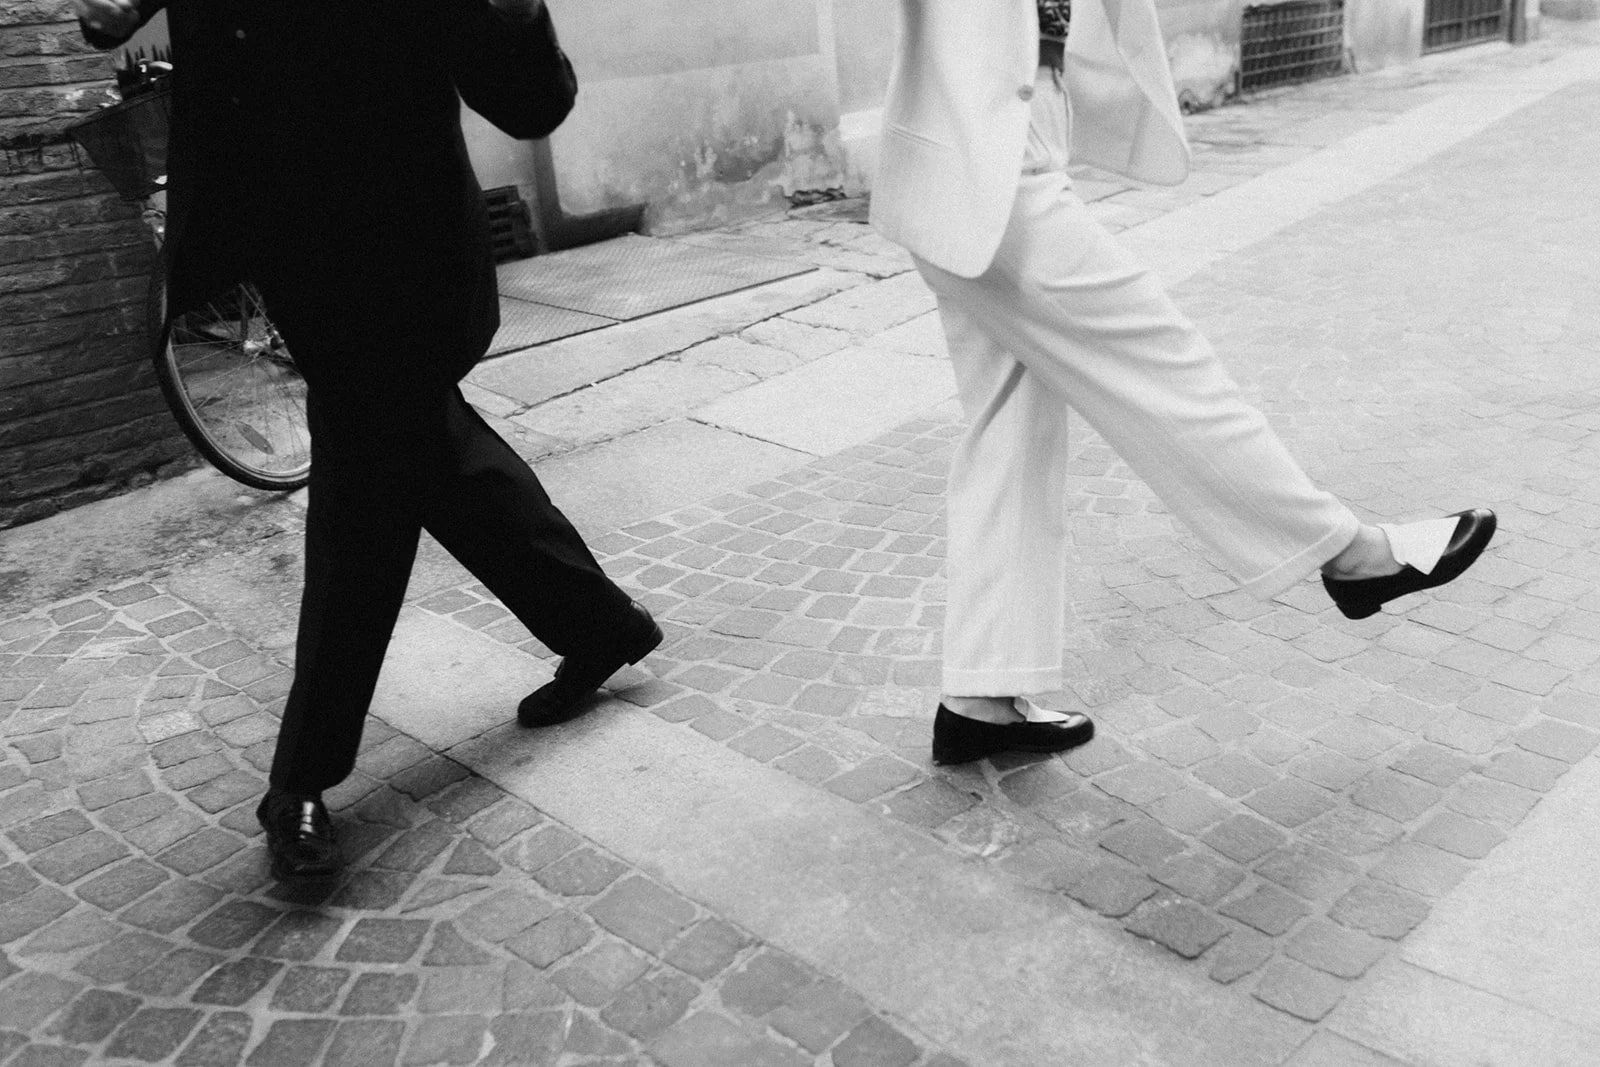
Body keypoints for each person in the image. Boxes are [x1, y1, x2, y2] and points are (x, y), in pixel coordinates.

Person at [74, 0, 662, 880]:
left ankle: (302, 775)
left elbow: (530, 102)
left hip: (408, 249)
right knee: (431, 452)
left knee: (364, 490)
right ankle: (601, 624)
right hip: (293, 252)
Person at [869, 0, 1496, 766]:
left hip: (998, 138)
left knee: (1013, 426)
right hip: (986, 155)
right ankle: (1349, 553)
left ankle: (982, 695)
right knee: (1158, 358)